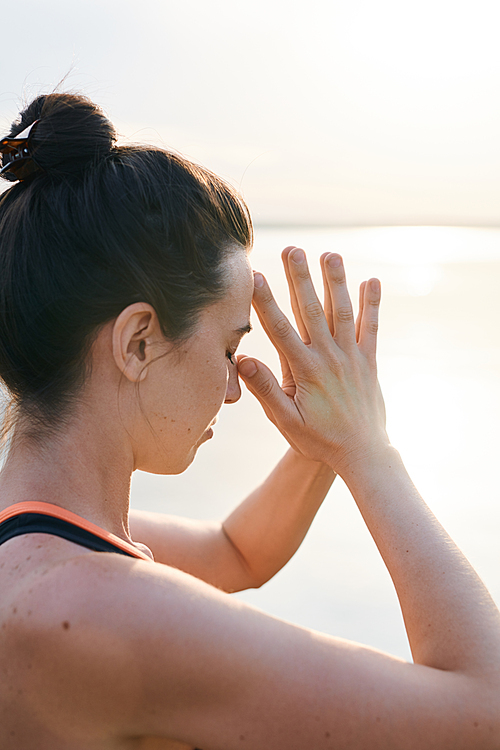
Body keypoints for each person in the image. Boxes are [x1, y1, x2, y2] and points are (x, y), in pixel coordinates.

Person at [0, 93, 498, 750]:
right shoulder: (103, 611)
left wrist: (323, 441)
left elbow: (239, 551)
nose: (235, 387)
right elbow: (485, 710)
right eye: (230, 348)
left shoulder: (42, 541)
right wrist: (370, 452)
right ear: (138, 342)